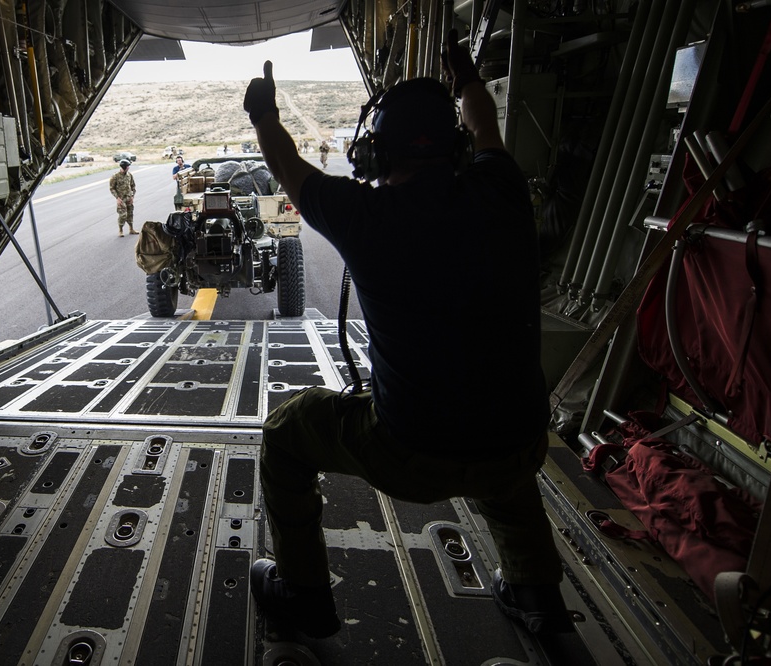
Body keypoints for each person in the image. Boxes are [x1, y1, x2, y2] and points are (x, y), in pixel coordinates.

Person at [242, 29, 572, 641]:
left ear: (373, 156)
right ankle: (536, 589)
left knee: (287, 433)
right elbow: (484, 124)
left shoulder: (365, 215)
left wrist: (265, 114)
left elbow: (287, 167)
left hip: (412, 452)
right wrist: (467, 77)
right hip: (520, 443)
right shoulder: (503, 191)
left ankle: (304, 593)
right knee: (498, 429)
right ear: (455, 150)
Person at [110, 158, 137, 237]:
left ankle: (131, 229)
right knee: (123, 215)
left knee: (130, 213)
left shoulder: (129, 175)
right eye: (127, 166)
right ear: (124, 167)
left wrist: (132, 196)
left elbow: (133, 186)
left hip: (129, 198)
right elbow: (112, 188)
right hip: (121, 199)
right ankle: (120, 230)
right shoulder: (115, 176)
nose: (128, 168)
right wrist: (117, 198)